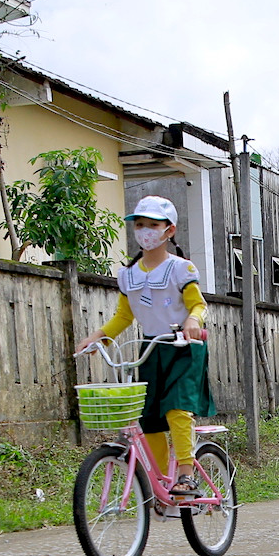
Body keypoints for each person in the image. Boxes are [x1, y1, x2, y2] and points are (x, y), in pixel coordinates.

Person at [78, 196, 215, 497]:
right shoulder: (129, 275)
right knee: (149, 418)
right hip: (151, 349)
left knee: (177, 409)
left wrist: (193, 321)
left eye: (153, 225)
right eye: (139, 225)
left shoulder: (181, 269)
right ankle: (162, 482)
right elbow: (123, 317)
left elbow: (198, 305)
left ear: (169, 231)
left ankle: (185, 473)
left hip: (183, 346)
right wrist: (98, 336)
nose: (145, 231)